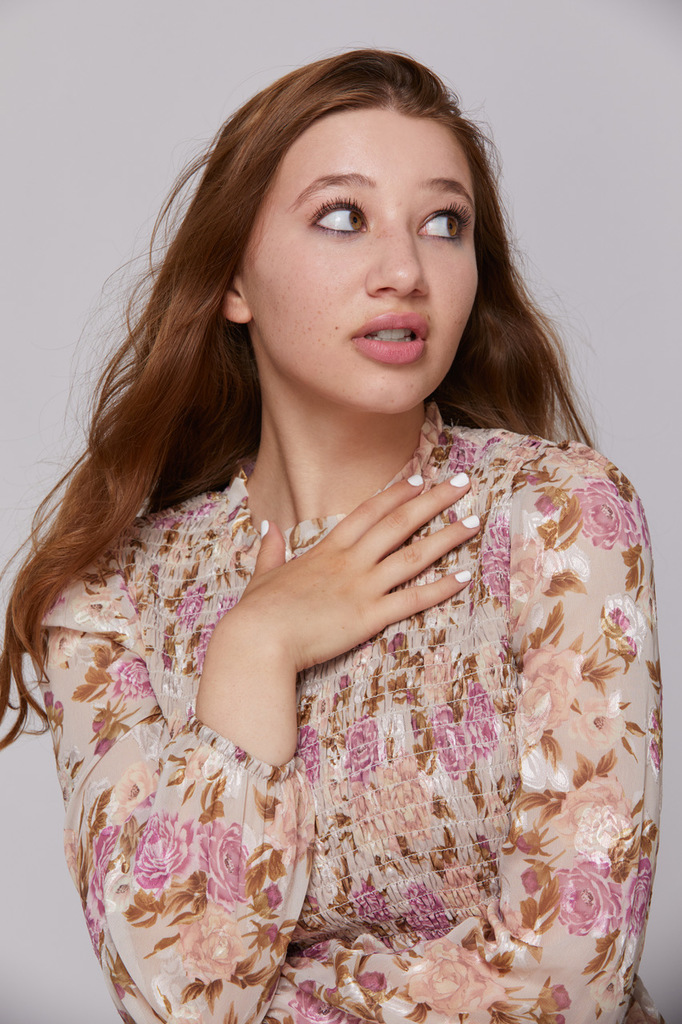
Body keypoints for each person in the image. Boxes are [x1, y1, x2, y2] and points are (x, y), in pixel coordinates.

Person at [0, 49, 663, 1023]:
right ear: (234, 279)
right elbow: (169, 995)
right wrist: (255, 646)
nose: (405, 272)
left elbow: (571, 982)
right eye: (344, 217)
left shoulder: (559, 515)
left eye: (444, 223)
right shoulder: (108, 597)